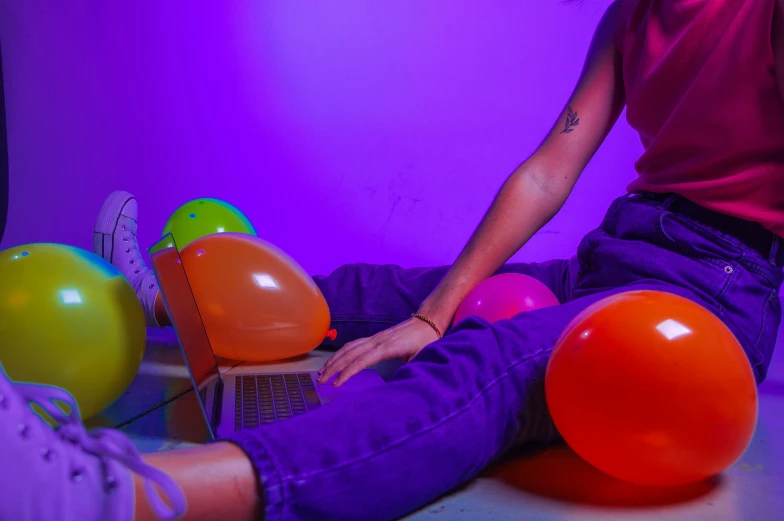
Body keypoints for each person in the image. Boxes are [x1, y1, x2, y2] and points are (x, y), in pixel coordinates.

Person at [3, 0, 784, 519]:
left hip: (714, 286)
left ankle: (123, 496)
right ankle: (153, 302)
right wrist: (431, 307)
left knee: (491, 356)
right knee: (381, 292)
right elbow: (550, 169)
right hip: (620, 253)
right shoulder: (633, 13)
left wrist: (444, 324)